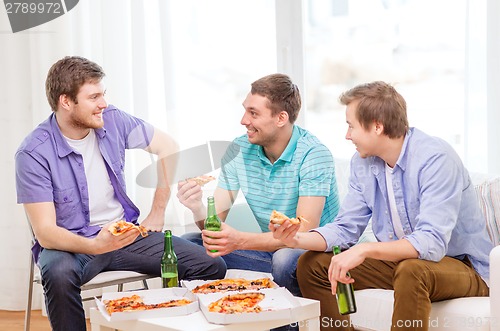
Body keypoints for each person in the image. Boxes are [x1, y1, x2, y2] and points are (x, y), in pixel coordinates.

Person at [15, 56, 226, 331]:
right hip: (72, 245)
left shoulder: (112, 120)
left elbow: (168, 146)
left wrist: (158, 211)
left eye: (103, 94)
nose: (103, 103)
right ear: (66, 101)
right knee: (57, 273)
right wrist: (95, 246)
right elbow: (45, 232)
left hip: (124, 235)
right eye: (93, 97)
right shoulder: (33, 153)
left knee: (211, 266)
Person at [269, 81, 493, 331]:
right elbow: (345, 229)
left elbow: (431, 242)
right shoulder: (362, 164)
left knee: (413, 270)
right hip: (404, 263)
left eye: (351, 126)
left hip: (462, 266)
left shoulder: (435, 158)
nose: (347, 135)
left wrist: (364, 251)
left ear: (377, 125)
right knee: (312, 265)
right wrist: (295, 239)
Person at [177, 73, 340, 298]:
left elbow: (302, 232)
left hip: (315, 252)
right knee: (189, 246)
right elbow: (215, 224)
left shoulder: (313, 154)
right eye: (245, 110)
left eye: (253, 113)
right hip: (272, 250)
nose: (244, 120)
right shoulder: (239, 150)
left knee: (285, 257)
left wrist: (239, 240)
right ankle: (217, 316)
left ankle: (288, 323)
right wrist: (196, 206)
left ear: (281, 118)